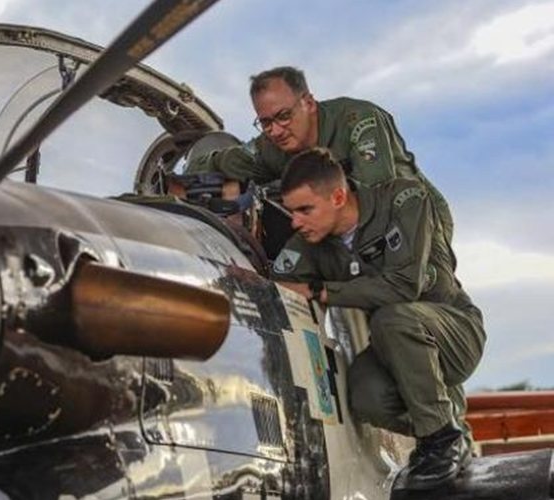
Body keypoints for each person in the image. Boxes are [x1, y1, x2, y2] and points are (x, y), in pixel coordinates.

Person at [272, 148, 485, 491]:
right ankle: (446, 428)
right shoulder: (310, 242)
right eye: (291, 211)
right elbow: (277, 283)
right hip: (395, 351)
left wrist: (323, 291)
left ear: (339, 196)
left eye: (305, 209)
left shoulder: (404, 201)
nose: (295, 221)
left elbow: (404, 285)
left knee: (391, 318)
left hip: (454, 333)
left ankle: (441, 439)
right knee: (365, 395)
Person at [186, 66, 454, 246]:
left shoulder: (359, 122)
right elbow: (223, 161)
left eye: (284, 116)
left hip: (417, 224)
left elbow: (375, 200)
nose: (276, 130)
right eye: (265, 122)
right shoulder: (272, 145)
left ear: (309, 104)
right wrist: (194, 171)